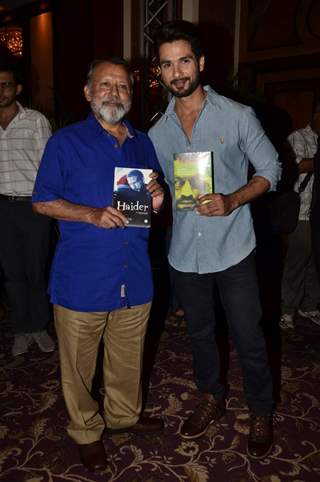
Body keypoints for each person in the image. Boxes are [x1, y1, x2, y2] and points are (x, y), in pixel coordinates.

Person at [148, 20, 281, 459]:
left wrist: (233, 199)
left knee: (248, 334)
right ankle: (211, 396)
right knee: (201, 335)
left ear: (200, 63)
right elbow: (163, 191)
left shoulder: (238, 116)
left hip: (234, 249)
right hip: (186, 254)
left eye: (184, 60)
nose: (177, 71)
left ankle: (261, 408)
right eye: (167, 64)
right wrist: (155, 196)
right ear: (160, 72)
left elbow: (271, 170)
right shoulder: (157, 132)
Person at [32, 57, 165, 473]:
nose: (115, 93)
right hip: (82, 279)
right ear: (88, 92)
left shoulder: (143, 143)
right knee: (78, 368)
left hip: (134, 275)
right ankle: (87, 431)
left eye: (123, 87)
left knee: (127, 359)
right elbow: (42, 200)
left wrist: (157, 196)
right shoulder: (65, 143)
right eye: (105, 85)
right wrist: (91, 214)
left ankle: (124, 416)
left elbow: (147, 204)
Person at [0, 62, 55, 357]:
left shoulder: (35, 121)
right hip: (2, 209)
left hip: (33, 207)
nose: (1, 91)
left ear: (17, 88)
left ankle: (39, 326)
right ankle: (22, 328)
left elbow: (48, 167)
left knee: (36, 269)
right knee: (12, 273)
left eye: (6, 85)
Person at [280, 104, 320, 330]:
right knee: (296, 263)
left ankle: (310, 305)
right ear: (315, 115)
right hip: (303, 212)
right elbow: (295, 166)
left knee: (315, 264)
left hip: (318, 214)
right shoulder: (298, 137)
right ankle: (287, 310)